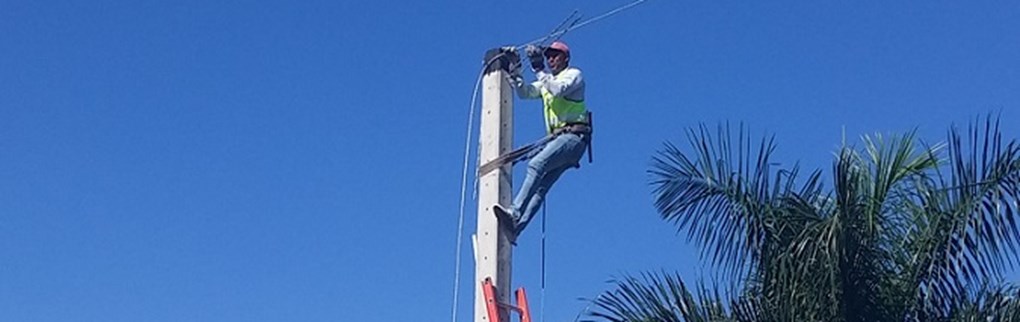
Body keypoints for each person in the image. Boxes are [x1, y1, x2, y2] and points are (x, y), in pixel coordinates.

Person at [494, 41, 590, 244]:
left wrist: (539, 69)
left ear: (566, 58)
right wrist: (516, 70)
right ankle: (516, 228)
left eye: (556, 55)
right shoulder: (547, 82)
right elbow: (525, 92)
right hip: (562, 140)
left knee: (536, 164)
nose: (551, 59)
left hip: (573, 137)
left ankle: (514, 212)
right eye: (548, 56)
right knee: (540, 187)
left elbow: (557, 90)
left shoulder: (573, 75)